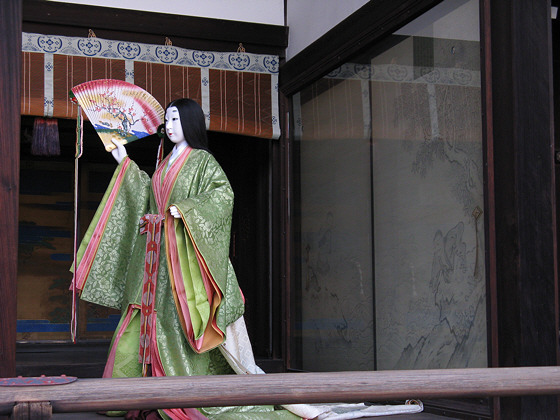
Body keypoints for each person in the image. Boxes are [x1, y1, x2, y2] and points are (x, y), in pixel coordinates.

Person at [72, 98, 300, 420]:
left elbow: (223, 195)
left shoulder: (203, 161)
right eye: (168, 120)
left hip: (182, 265)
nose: (170, 125)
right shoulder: (164, 164)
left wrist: (183, 212)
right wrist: (124, 161)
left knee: (177, 328)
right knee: (135, 326)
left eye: (177, 119)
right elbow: (147, 199)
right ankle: (128, 397)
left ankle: (177, 396)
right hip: (153, 262)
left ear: (191, 123)